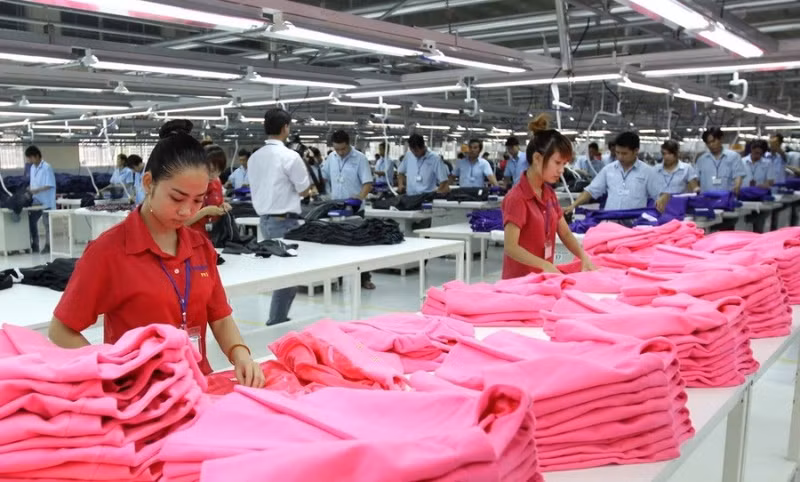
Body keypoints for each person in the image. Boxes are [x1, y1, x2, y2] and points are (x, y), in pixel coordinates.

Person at [47, 119, 264, 388]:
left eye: (198, 200)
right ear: (148, 183)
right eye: (177, 198)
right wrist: (112, 370)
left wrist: (240, 354)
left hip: (196, 386)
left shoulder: (200, 246)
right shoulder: (109, 251)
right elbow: (61, 329)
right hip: (140, 395)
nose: (187, 211)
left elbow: (219, 316)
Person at [502, 114, 595, 278]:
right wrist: (544, 264)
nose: (561, 170)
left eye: (564, 164)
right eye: (557, 163)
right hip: (519, 283)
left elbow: (565, 233)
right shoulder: (517, 197)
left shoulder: (549, 193)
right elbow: (511, 247)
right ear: (537, 158)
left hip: (544, 279)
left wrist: (583, 256)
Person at [249, 108, 316, 326]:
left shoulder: (255, 157)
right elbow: (304, 190)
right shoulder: (290, 156)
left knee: (285, 273)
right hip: (284, 221)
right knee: (288, 275)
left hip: (265, 220)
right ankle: (276, 321)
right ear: (286, 127)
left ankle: (279, 318)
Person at [322, 130, 376, 290]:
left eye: (343, 149)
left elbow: (367, 183)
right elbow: (323, 176)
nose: (340, 152)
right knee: (335, 245)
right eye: (337, 149)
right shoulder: (331, 158)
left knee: (359, 245)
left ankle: (364, 278)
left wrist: (360, 197)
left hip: (355, 209)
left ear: (349, 144)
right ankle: (336, 279)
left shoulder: (360, 158)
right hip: (336, 209)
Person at [566, 132, 670, 214]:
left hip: (635, 224)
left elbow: (663, 193)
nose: (620, 157)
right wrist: (573, 206)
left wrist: (663, 198)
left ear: (636, 151)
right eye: (617, 152)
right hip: (611, 222)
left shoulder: (648, 172)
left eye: (624, 153)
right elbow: (591, 191)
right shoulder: (608, 170)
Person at [185, 145, 231, 236]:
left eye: (218, 171)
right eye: (210, 170)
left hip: (214, 237)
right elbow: (182, 223)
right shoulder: (188, 186)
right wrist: (205, 211)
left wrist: (223, 206)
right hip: (192, 237)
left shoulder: (216, 182)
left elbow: (219, 202)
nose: (213, 175)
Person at [695, 127, 746, 195]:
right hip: (706, 198)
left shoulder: (734, 157)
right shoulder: (701, 160)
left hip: (727, 198)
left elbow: (738, 176)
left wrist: (737, 187)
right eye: (708, 143)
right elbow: (695, 180)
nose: (711, 145)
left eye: (713, 141)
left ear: (721, 139)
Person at [25, 145, 55, 254]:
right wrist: (30, 188)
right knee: (31, 221)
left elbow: (49, 185)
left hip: (47, 201)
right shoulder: (32, 168)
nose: (29, 160)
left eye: (30, 157)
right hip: (36, 200)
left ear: (37, 156)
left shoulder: (47, 167)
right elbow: (33, 183)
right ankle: (35, 244)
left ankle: (48, 245)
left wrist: (37, 190)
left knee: (47, 225)